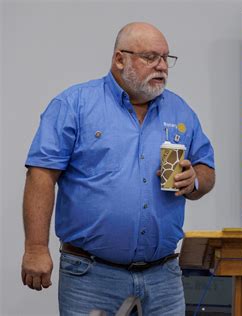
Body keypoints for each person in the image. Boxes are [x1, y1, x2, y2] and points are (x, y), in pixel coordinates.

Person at [21, 22, 215, 315]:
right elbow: (41, 175)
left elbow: (206, 168)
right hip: (91, 275)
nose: (161, 66)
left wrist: (195, 180)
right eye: (150, 57)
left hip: (163, 276)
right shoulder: (74, 105)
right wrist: (36, 248)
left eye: (166, 58)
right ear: (119, 59)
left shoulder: (180, 111)